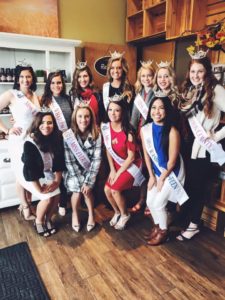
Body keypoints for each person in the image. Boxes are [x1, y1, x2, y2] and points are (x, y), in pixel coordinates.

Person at [177, 54, 225, 241]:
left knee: (198, 187)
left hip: (203, 147)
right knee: (188, 184)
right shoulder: (190, 89)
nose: (196, 75)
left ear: (207, 72)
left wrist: (218, 134)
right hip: (188, 145)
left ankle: (195, 224)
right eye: (193, 71)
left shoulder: (216, 89)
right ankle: (188, 218)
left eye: (200, 71)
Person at [141, 96, 188, 245]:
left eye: (161, 108)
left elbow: (172, 162)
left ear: (166, 111)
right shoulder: (145, 130)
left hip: (172, 172)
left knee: (158, 203)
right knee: (150, 201)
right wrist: (152, 177)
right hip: (156, 172)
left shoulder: (173, 131)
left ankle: (163, 232)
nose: (157, 111)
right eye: (154, 107)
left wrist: (162, 178)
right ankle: (158, 226)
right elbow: (147, 155)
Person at [0, 65, 40, 220]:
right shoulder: (12, 94)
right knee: (21, 174)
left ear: (32, 78)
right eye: (22, 77)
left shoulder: (35, 95)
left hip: (33, 140)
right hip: (18, 140)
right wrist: (7, 130)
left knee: (29, 173)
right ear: (17, 79)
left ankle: (29, 203)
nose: (25, 80)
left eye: (28, 76)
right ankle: (24, 207)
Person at [102, 97, 145, 230]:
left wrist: (119, 172)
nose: (112, 113)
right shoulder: (106, 128)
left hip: (131, 165)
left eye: (117, 110)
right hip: (116, 165)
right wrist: (112, 170)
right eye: (110, 110)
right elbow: (108, 150)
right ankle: (117, 212)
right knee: (107, 190)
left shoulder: (128, 132)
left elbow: (131, 157)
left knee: (114, 189)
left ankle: (125, 214)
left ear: (123, 112)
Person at [21, 111, 65, 237]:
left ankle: (48, 219)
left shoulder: (56, 138)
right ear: (37, 124)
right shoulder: (30, 142)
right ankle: (38, 221)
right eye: (42, 123)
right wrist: (40, 189)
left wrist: (57, 181)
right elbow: (30, 169)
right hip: (32, 176)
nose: (46, 126)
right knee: (46, 198)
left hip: (48, 171)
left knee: (57, 195)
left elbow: (59, 161)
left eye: (50, 123)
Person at [63, 105, 102, 232]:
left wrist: (88, 182)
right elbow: (69, 161)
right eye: (80, 116)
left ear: (91, 118)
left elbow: (96, 160)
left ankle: (91, 214)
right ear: (75, 118)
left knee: (87, 190)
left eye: (86, 116)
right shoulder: (68, 136)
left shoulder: (96, 134)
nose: (83, 119)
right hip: (73, 172)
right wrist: (81, 182)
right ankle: (75, 213)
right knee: (77, 189)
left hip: (90, 170)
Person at [41, 71, 73, 217]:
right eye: (53, 83)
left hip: (69, 141)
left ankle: (66, 200)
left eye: (59, 82)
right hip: (54, 142)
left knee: (68, 171)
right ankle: (60, 202)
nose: (56, 85)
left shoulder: (68, 99)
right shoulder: (45, 100)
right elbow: (39, 120)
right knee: (57, 172)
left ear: (63, 83)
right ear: (49, 85)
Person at [130, 60, 155, 213]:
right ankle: (142, 198)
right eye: (143, 76)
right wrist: (132, 133)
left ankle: (150, 203)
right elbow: (134, 117)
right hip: (138, 136)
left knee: (151, 170)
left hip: (150, 137)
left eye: (150, 75)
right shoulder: (139, 94)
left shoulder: (157, 93)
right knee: (143, 170)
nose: (146, 79)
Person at [102, 51, 133, 119]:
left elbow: (132, 112)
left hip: (124, 126)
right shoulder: (105, 88)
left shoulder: (130, 88)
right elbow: (103, 111)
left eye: (119, 68)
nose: (115, 71)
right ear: (109, 70)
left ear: (123, 70)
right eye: (112, 68)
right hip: (109, 125)